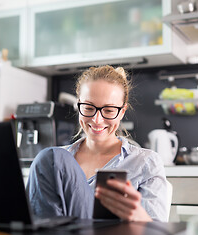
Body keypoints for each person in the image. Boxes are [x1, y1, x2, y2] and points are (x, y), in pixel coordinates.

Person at [26, 65, 168, 222]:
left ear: (122, 111)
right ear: (78, 105)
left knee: (50, 156)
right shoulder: (56, 164)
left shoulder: (146, 162)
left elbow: (158, 234)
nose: (97, 120)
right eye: (88, 108)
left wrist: (138, 216)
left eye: (108, 110)